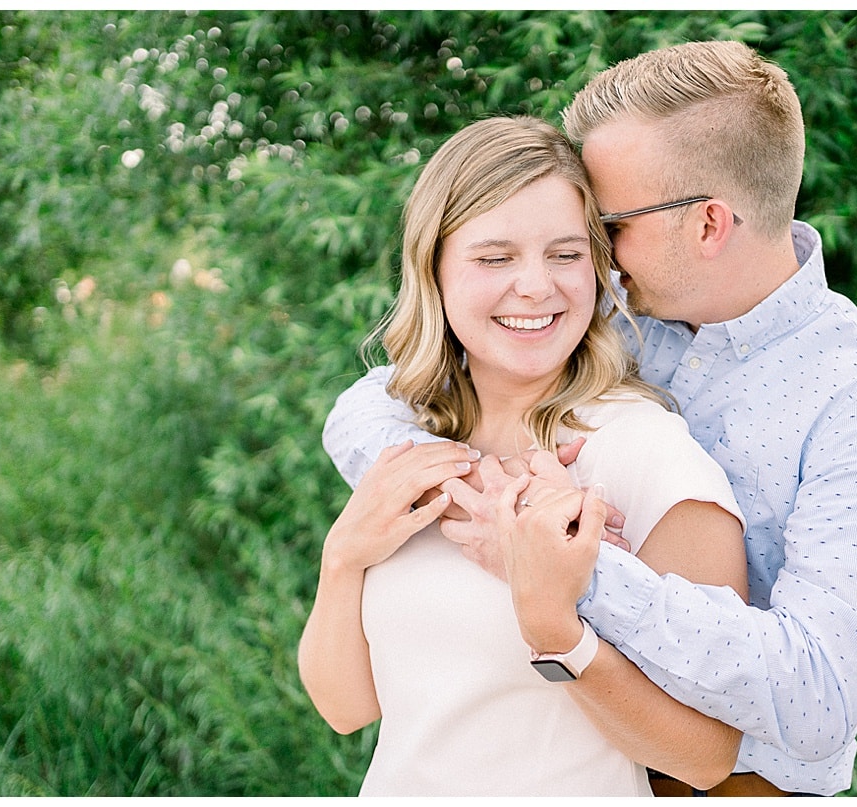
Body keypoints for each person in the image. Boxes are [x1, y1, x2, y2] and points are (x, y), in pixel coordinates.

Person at [322, 41, 857, 797]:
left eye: (606, 225)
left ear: (709, 225)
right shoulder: (608, 316)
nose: (594, 254)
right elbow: (375, 400)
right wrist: (481, 489)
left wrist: (578, 568)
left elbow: (817, 696)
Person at [298, 115, 751, 796]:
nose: (537, 286)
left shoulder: (643, 453)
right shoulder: (415, 443)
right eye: (495, 257)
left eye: (566, 254)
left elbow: (708, 755)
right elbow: (347, 708)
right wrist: (343, 557)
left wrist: (559, 632)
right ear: (435, 268)